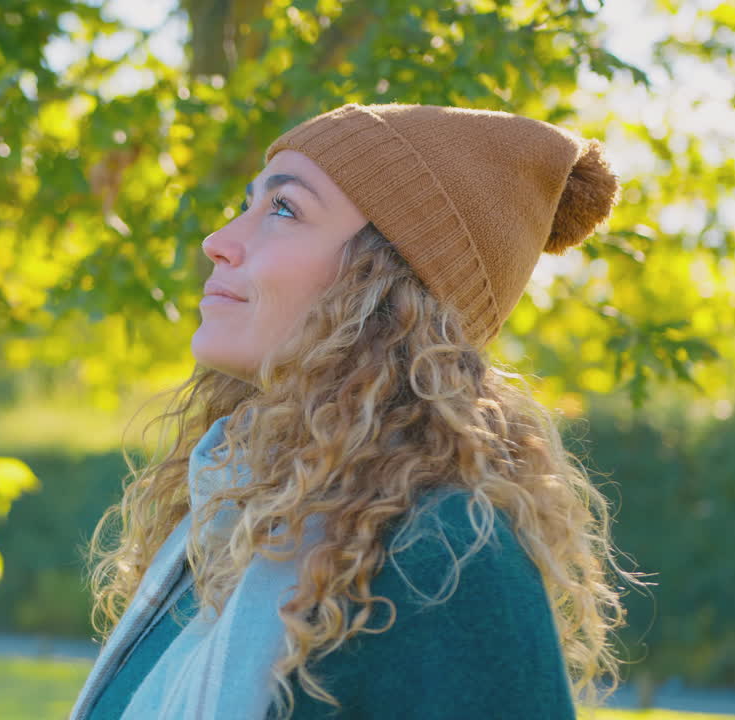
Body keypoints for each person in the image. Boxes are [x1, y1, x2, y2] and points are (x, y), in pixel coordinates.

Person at [68, 102, 649, 720]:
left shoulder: (443, 556)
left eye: (284, 209)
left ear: (383, 285)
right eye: (246, 207)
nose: (219, 242)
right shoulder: (222, 523)